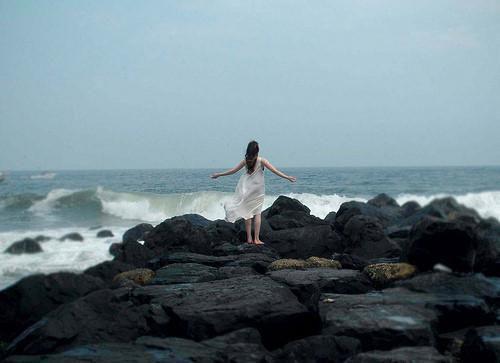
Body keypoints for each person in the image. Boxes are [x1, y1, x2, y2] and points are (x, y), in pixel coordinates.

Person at [210, 140, 296, 245]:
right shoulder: (262, 160)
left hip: (246, 188)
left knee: (247, 213)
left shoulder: (245, 161)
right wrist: (287, 177)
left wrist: (219, 174)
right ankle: (256, 239)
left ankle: (249, 239)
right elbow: (275, 171)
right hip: (258, 190)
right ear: (257, 151)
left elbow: (233, 171)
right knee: (257, 213)